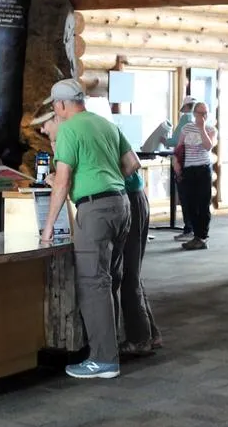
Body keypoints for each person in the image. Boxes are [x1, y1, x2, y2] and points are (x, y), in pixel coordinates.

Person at [36, 108, 158, 356]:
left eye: (44, 125)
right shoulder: (97, 125)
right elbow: (131, 162)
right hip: (129, 199)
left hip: (125, 199)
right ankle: (145, 334)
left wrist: (105, 186)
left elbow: (129, 165)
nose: (42, 131)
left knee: (124, 274)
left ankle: (137, 339)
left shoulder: (75, 131)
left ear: (57, 115)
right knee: (122, 272)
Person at [40, 79, 139, 380]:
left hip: (94, 211)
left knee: (92, 282)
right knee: (110, 279)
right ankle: (111, 349)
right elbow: (132, 163)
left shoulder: (69, 129)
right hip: (121, 205)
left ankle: (104, 359)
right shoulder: (105, 124)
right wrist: (106, 179)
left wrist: (47, 231)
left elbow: (62, 181)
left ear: (60, 105)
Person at [172, 101, 216, 251]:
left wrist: (202, 128)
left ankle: (202, 236)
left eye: (205, 113)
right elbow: (179, 147)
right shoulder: (186, 128)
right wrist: (176, 162)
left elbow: (208, 146)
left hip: (203, 169)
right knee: (190, 204)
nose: (203, 116)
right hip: (189, 169)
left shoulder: (210, 129)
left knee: (203, 204)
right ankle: (195, 234)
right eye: (200, 113)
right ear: (194, 113)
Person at [170, 95, 197, 240]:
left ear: (186, 107)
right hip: (198, 164)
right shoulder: (203, 119)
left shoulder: (186, 118)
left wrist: (163, 140)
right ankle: (197, 230)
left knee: (185, 197)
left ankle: (189, 229)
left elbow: (175, 140)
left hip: (184, 163)